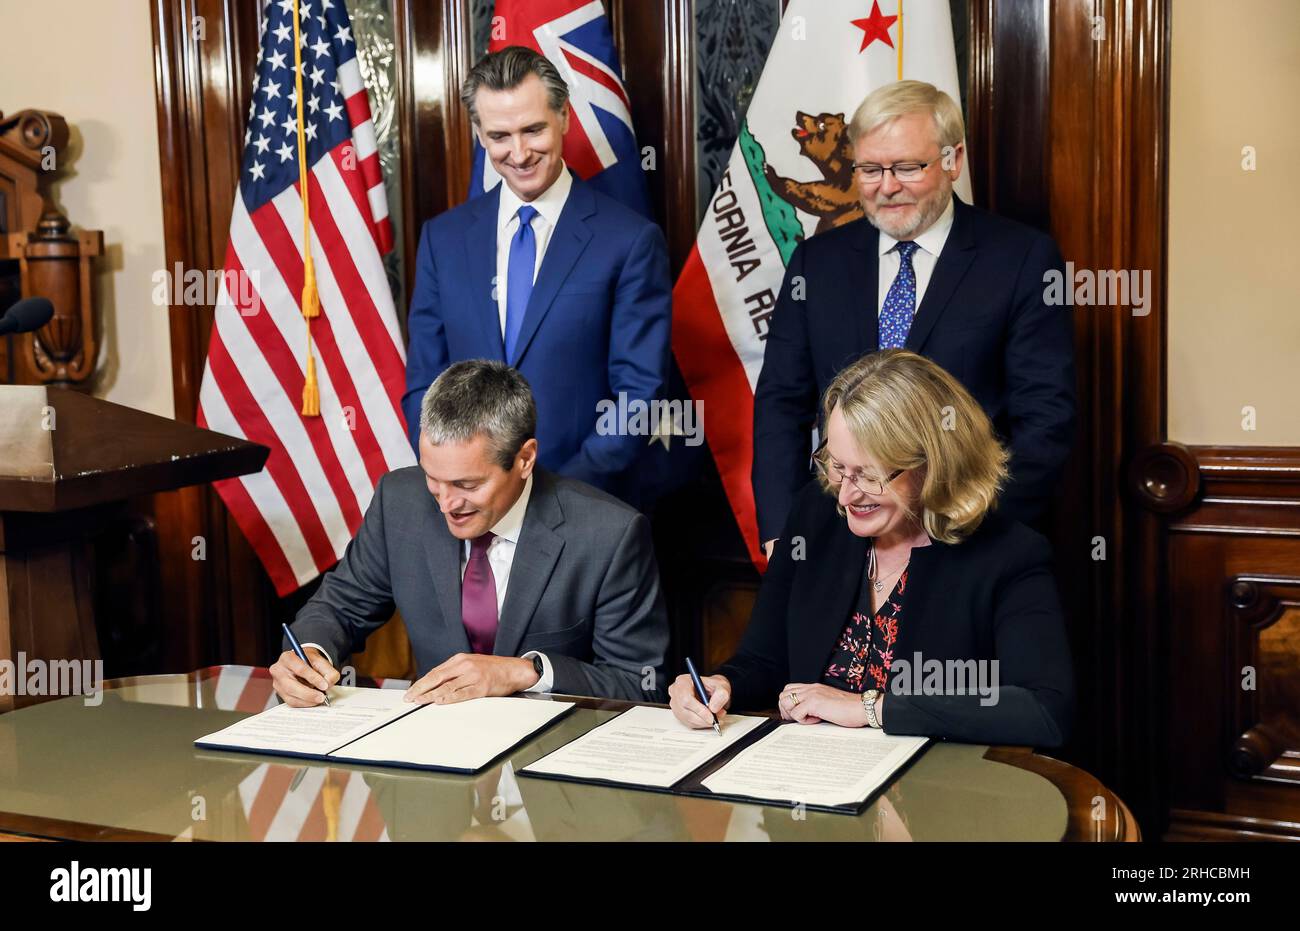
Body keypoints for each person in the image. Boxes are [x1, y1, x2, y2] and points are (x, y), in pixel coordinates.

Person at [672, 350, 1074, 746]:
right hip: (810, 784)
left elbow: (1043, 710)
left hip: (934, 796)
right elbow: (765, 660)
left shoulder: (1008, 554)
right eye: (837, 466)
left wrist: (871, 708)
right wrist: (720, 685)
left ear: (932, 464)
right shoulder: (816, 516)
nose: (846, 496)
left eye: (868, 475)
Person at [753, 80, 1075, 554]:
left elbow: (1047, 418)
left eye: (907, 167)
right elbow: (781, 402)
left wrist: (966, 528)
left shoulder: (1022, 259)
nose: (887, 187)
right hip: (835, 539)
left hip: (968, 542)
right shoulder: (816, 263)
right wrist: (783, 532)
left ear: (953, 161)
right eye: (870, 169)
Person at [273, 360, 669, 705]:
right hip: (434, 763)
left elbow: (640, 684)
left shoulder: (609, 534)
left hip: (548, 767)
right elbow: (338, 608)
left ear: (524, 459)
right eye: (433, 478)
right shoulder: (400, 502)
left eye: (467, 485)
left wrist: (527, 672)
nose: (445, 503)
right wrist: (308, 653)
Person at [402, 46, 671, 499]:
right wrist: (455, 478)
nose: (520, 153)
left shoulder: (630, 241)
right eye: (500, 136)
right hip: (465, 505)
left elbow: (639, 394)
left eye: (533, 130)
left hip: (581, 503)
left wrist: (561, 493)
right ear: (479, 134)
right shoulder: (441, 240)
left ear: (564, 117)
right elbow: (424, 383)